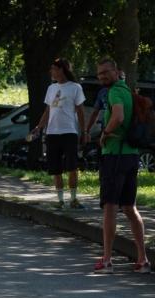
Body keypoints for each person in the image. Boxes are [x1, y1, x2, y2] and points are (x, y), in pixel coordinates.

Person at [93, 58, 149, 274]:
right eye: (99, 74)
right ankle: (143, 260)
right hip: (131, 156)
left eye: (105, 72)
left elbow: (118, 116)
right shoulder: (128, 91)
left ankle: (107, 260)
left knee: (110, 207)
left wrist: (105, 133)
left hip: (115, 156)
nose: (102, 77)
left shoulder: (115, 92)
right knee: (129, 207)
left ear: (116, 71)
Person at [30, 58, 87, 209]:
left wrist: (84, 131)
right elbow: (48, 110)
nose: (51, 72)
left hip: (69, 132)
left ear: (62, 70)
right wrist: (39, 127)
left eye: (54, 69)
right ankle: (60, 200)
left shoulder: (75, 88)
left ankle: (73, 199)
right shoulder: (51, 88)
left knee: (72, 167)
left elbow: (80, 111)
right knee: (55, 168)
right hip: (52, 133)